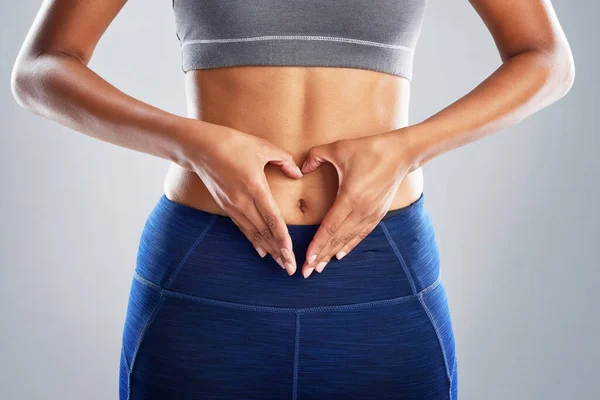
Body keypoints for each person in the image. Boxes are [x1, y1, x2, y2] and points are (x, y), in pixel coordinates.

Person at [11, 0, 574, 399]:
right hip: (207, 274)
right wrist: (193, 143)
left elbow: (546, 57)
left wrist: (408, 150)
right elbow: (42, 67)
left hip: (380, 273)